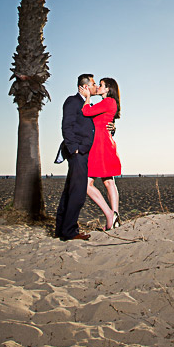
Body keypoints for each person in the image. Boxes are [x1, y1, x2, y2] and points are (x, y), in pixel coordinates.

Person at [54, 74, 97, 241]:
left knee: (70, 191)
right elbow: (67, 126)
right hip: (78, 153)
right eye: (93, 83)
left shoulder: (87, 104)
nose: (95, 87)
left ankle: (62, 230)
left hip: (84, 152)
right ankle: (70, 231)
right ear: (85, 86)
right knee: (78, 193)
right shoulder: (73, 101)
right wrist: (75, 149)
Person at [82, 77, 122, 230]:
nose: (98, 87)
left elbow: (87, 111)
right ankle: (114, 216)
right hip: (103, 143)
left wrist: (87, 97)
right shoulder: (108, 103)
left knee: (90, 184)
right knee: (108, 181)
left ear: (108, 89)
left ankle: (111, 215)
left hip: (101, 145)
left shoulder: (108, 101)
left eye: (101, 85)